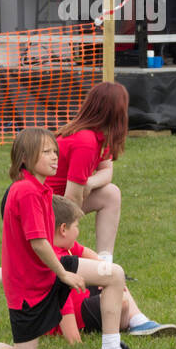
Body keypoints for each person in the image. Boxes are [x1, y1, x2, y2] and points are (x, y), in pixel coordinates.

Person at [0, 129, 133, 349]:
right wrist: (64, 274)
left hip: (48, 271)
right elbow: (39, 244)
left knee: (114, 274)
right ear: (24, 157)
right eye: (46, 152)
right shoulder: (25, 191)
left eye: (55, 151)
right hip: (29, 288)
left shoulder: (41, 190)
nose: (55, 156)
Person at [0, 197, 176, 339]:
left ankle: (136, 321)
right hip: (67, 313)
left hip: (75, 300)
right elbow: (63, 303)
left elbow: (88, 255)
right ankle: (129, 325)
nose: (79, 231)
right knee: (119, 301)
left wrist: (105, 270)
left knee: (114, 278)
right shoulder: (54, 258)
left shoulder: (66, 245)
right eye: (77, 226)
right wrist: (74, 340)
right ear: (62, 229)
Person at [49, 82, 127, 262]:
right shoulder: (85, 141)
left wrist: (90, 182)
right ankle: (83, 264)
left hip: (57, 199)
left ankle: (105, 262)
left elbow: (107, 171)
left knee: (111, 193)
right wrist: (69, 238)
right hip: (46, 205)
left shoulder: (98, 134)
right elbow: (72, 199)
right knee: (108, 194)